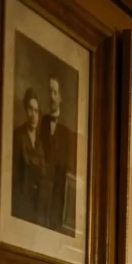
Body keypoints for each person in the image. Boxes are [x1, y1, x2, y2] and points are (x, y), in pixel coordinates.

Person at [39, 75, 76, 235]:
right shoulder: (43, 122)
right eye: (50, 92)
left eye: (55, 93)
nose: (51, 97)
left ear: (60, 97)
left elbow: (68, 167)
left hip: (58, 192)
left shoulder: (66, 130)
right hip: (43, 189)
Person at [12, 87, 46, 224]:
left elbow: (43, 174)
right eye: (30, 109)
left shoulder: (40, 143)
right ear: (25, 110)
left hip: (36, 203)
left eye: (36, 111)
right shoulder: (18, 135)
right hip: (21, 201)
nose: (33, 115)